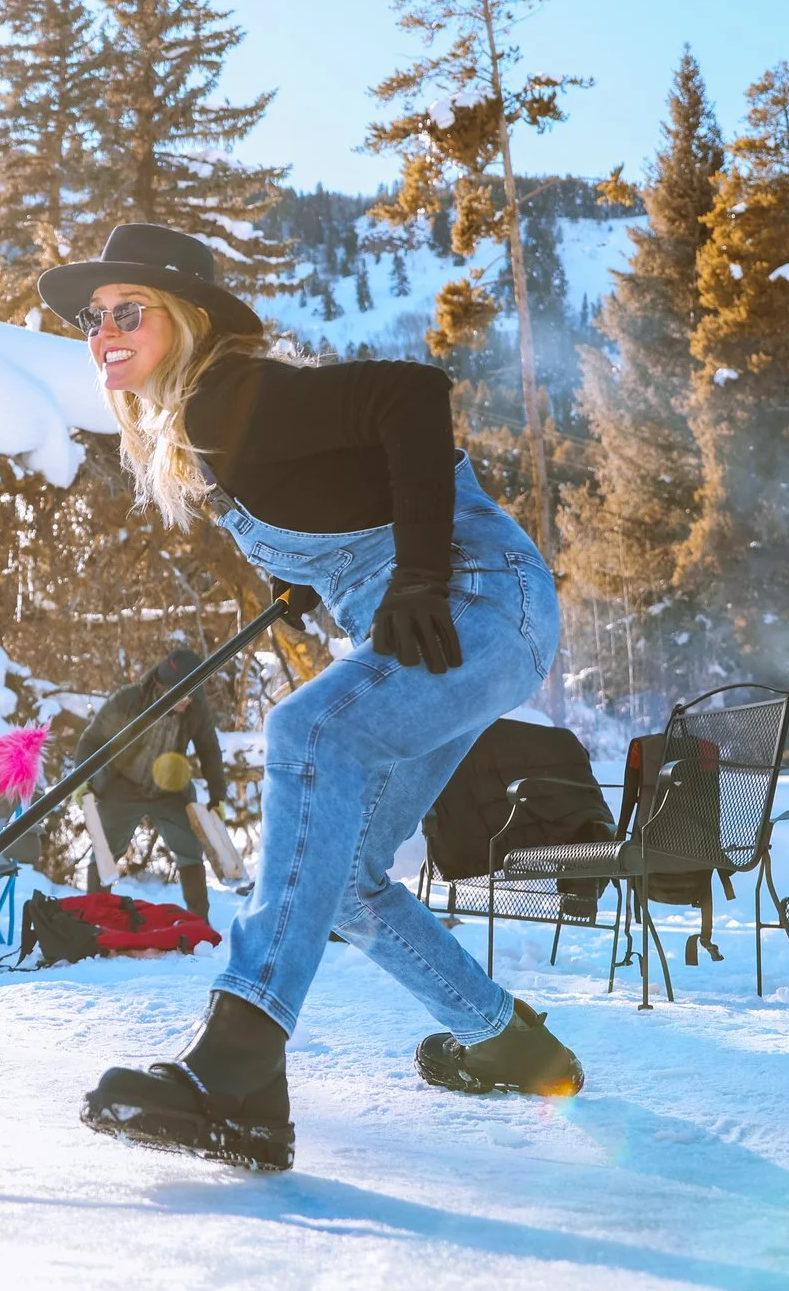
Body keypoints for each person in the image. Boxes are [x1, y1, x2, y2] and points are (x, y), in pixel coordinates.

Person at [38, 223, 581, 1172]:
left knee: (309, 731)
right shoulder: (211, 428)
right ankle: (510, 1044)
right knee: (352, 876)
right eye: (94, 317)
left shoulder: (228, 393)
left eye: (129, 311)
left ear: (188, 319)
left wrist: (411, 577)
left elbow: (411, 396)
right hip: (479, 617)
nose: (104, 331)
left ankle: (239, 1064)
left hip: (474, 599)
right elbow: (349, 491)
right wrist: (320, 579)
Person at [76, 647, 229, 921]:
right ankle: (93, 920)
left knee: (190, 848)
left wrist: (218, 798)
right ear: (162, 686)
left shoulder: (196, 709)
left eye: (193, 696)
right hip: (123, 784)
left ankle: (199, 920)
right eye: (183, 696)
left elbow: (210, 751)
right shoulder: (128, 700)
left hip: (169, 790)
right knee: (105, 848)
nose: (188, 702)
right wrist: (82, 781)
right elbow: (92, 740)